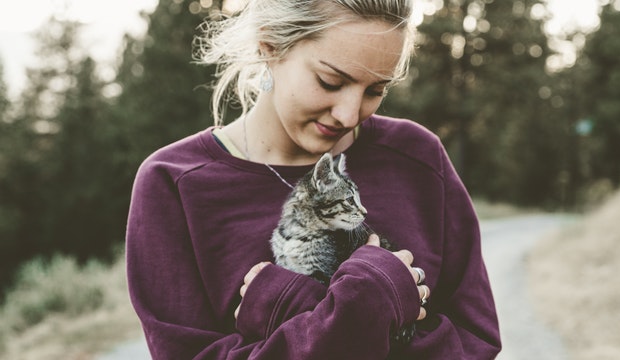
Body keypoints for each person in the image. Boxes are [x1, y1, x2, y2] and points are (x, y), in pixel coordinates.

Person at [125, 0, 501, 358]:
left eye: (375, 90)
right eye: (330, 82)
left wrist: (290, 310)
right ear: (270, 45)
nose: (350, 115)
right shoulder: (174, 185)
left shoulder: (418, 158)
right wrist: (365, 305)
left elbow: (476, 342)